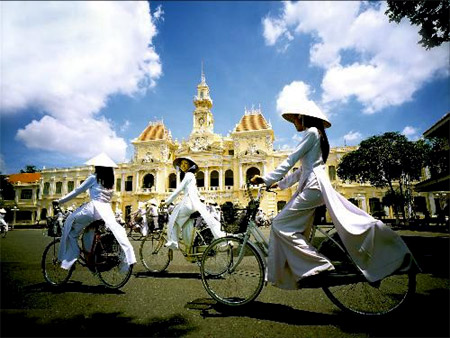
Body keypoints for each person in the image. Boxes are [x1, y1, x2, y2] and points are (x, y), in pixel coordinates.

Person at [251, 109, 415, 290]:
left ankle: (318, 264)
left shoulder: (312, 132)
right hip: (313, 186)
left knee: (280, 224)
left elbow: (291, 160)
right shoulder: (317, 136)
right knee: (290, 227)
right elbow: (301, 170)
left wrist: (266, 178)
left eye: (295, 119)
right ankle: (304, 268)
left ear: (303, 117)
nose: (294, 123)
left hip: (313, 188)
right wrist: (280, 185)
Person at [54, 152, 136, 272]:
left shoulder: (93, 177)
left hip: (92, 209)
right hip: (106, 211)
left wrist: (60, 201)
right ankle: (93, 255)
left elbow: (77, 190)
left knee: (70, 226)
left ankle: (73, 255)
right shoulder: (110, 181)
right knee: (96, 232)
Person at [163, 157, 226, 250]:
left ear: (190, 165)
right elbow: (196, 192)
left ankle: (173, 242)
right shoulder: (192, 176)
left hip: (188, 204)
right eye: (181, 164)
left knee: (173, 218)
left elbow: (178, 189)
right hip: (194, 205)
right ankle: (190, 249)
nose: (183, 166)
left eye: (185, 163)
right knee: (187, 226)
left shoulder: (188, 175)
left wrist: (167, 201)